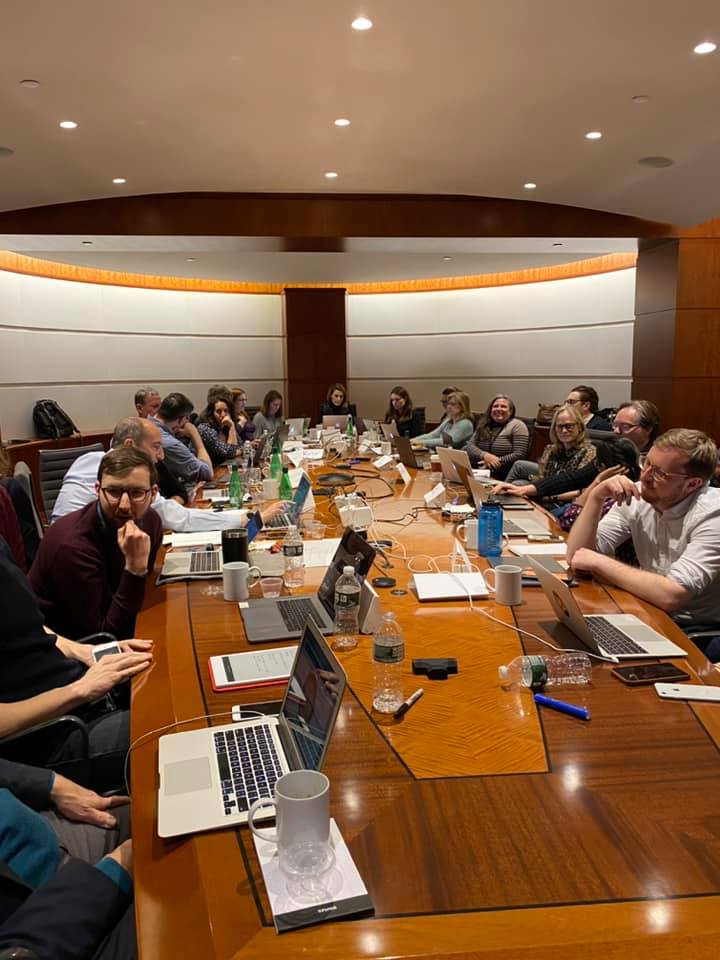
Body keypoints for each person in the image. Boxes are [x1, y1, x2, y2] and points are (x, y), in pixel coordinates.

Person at [0, 536, 151, 791]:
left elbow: (29, 627)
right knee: (171, 730)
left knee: (167, 675)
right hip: (50, 736)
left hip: (78, 695)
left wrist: (86, 651)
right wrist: (80, 690)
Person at [567, 429, 720, 657]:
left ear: (692, 484)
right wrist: (596, 497)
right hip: (648, 610)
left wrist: (599, 563)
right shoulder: (640, 496)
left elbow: (672, 595)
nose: (645, 476)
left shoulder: (713, 514)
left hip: (696, 631)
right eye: (646, 462)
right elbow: (577, 557)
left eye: (660, 473)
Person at [51, 417, 285, 535]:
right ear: (130, 445)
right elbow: (180, 518)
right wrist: (248, 519)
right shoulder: (126, 481)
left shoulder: (87, 460)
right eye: (155, 447)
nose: (161, 456)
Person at [0, 757, 135, 960]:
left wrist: (51, 784)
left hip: (48, 832)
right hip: (48, 926)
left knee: (161, 808)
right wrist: (111, 874)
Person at [29, 447, 163, 641]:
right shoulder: (72, 546)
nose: (124, 505)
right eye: (114, 492)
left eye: (136, 493)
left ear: (153, 493)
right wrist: (135, 568)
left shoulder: (152, 521)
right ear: (98, 489)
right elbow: (104, 635)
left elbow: (136, 597)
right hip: (63, 647)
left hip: (120, 625)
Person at [500, 403, 596, 494]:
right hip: (546, 492)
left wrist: (548, 497)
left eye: (569, 426)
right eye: (559, 426)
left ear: (579, 427)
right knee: (517, 484)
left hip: (564, 500)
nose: (564, 430)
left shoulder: (589, 451)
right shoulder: (550, 449)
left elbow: (581, 490)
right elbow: (543, 479)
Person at [151, 393, 213, 488]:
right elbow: (207, 473)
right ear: (180, 419)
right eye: (187, 418)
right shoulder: (169, 443)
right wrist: (195, 435)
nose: (187, 422)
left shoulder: (146, 424)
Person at [465, 395, 529, 479]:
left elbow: (519, 454)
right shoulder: (484, 424)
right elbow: (470, 446)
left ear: (510, 411)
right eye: (495, 406)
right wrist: (485, 456)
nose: (498, 409)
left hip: (504, 472)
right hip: (479, 470)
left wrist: (495, 461)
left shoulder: (518, 425)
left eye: (503, 406)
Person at [197, 392, 243, 466]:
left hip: (224, 468)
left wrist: (231, 427)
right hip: (210, 471)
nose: (223, 415)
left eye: (226, 411)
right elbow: (230, 453)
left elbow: (241, 445)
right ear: (211, 413)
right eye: (218, 411)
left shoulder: (226, 426)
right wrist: (232, 427)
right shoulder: (205, 429)